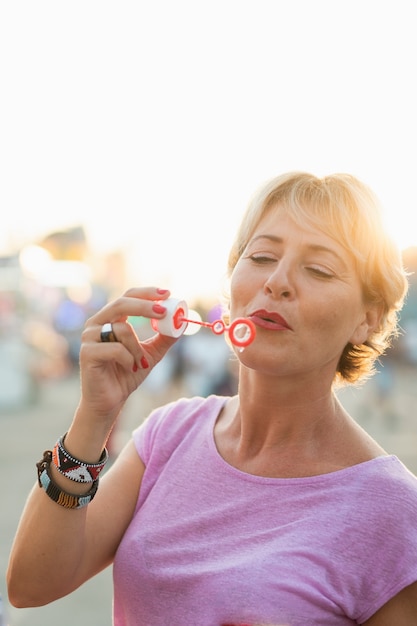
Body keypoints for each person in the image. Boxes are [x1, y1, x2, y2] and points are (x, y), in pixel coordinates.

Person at [6, 172, 417, 625]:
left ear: (368, 319)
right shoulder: (170, 434)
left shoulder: (393, 512)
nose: (277, 282)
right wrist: (94, 416)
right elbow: (30, 585)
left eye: (318, 269)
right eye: (261, 256)